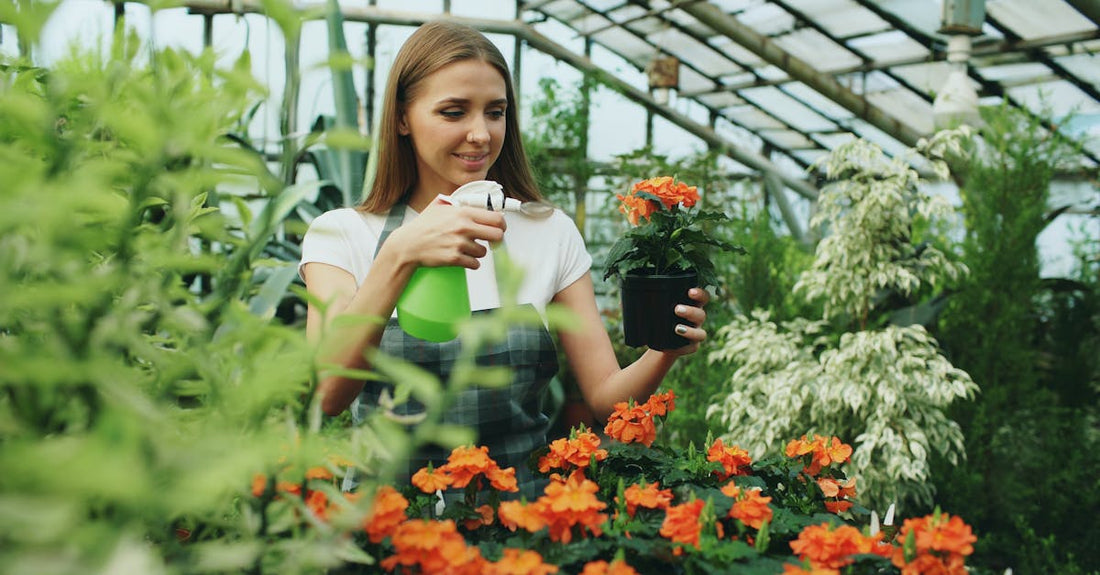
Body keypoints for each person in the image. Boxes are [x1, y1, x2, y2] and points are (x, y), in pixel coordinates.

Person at [299, 21, 709, 497]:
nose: (480, 134)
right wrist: (399, 256)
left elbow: (603, 399)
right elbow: (329, 394)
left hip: (519, 526)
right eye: (453, 112)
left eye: (495, 112)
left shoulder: (547, 231)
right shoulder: (342, 234)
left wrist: (665, 350)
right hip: (385, 523)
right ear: (402, 118)